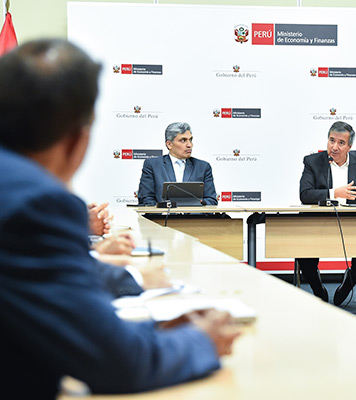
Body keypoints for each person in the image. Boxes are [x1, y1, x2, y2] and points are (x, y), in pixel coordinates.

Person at [0, 39, 239, 398]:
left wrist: (149, 321)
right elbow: (119, 363)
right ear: (77, 140)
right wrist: (201, 339)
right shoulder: (37, 202)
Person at [297, 121, 356, 306]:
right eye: (331, 140)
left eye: (341, 143)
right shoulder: (312, 162)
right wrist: (334, 193)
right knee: (301, 245)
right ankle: (317, 286)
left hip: (352, 224)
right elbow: (305, 194)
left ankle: (349, 282)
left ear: (349, 146)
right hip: (318, 223)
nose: (334, 147)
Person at [137, 122, 218, 205]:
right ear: (169, 144)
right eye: (183, 140)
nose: (189, 145)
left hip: (193, 214)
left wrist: (192, 210)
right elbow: (146, 199)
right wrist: (164, 210)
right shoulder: (153, 165)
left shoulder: (203, 167)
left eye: (190, 140)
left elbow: (211, 200)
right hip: (164, 213)